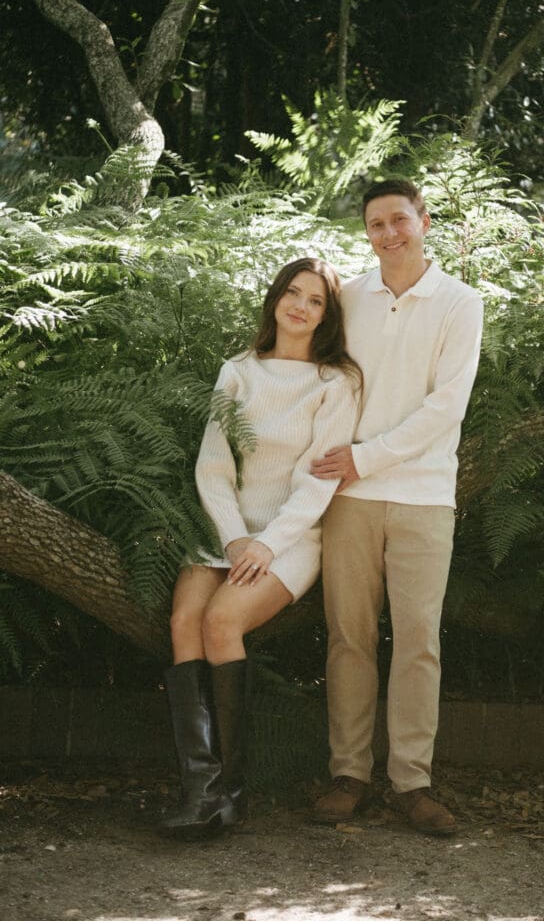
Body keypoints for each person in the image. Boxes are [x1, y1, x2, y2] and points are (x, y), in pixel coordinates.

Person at [161, 257, 361, 838]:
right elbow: (214, 466)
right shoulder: (239, 370)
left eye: (315, 300)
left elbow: (319, 479)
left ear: (327, 315)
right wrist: (235, 537)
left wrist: (269, 543)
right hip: (228, 528)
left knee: (222, 621)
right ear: (276, 299)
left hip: (293, 537)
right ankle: (200, 791)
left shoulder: (335, 383)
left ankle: (231, 791)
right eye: (292, 293)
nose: (299, 306)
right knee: (183, 619)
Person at [311, 179, 483, 836]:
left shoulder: (459, 303)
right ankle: (348, 774)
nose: (388, 233)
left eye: (398, 220)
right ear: (366, 232)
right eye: (375, 224)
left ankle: (411, 783)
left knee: (417, 641)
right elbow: (321, 384)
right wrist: (337, 464)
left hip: (422, 495)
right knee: (348, 637)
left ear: (423, 221)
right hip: (348, 497)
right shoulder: (348, 298)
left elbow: (447, 406)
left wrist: (366, 455)